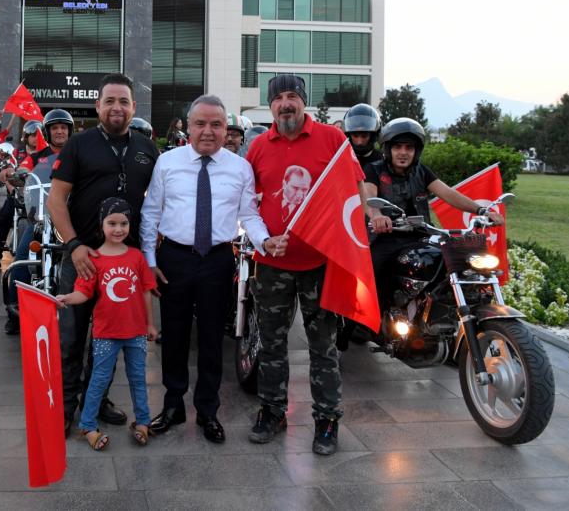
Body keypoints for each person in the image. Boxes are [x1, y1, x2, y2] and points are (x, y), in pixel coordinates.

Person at [140, 94, 276, 444]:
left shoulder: (239, 168)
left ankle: (207, 410)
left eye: (216, 124)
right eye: (200, 123)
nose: (208, 131)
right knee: (174, 335)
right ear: (188, 126)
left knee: (213, 337)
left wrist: (265, 241)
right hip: (174, 258)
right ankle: (173, 405)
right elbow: (151, 214)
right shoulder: (168, 163)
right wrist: (149, 262)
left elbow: (249, 215)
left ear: (226, 129)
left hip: (217, 259)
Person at [245, 74, 365, 456]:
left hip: (319, 265)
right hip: (272, 264)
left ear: (303, 101)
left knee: (323, 347)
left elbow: (354, 190)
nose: (285, 103)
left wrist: (355, 231)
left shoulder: (332, 139)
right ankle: (272, 411)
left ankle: (327, 419)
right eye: (278, 97)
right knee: (271, 344)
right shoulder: (258, 147)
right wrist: (263, 238)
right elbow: (248, 203)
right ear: (270, 105)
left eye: (292, 96)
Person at [47, 73, 159, 436]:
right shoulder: (78, 145)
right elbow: (55, 200)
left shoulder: (147, 149)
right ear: (98, 106)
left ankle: (96, 401)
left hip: (123, 264)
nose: (116, 108)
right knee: (71, 338)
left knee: (109, 339)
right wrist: (74, 245)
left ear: (133, 107)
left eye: (123, 101)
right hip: (81, 257)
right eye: (109, 101)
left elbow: (158, 204)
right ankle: (65, 407)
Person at [364, 117, 504, 315]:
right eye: (397, 147)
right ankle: (370, 319)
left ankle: (436, 311)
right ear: (388, 149)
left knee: (449, 262)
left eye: (409, 147)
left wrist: (481, 211)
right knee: (371, 274)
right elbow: (368, 197)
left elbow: (448, 193)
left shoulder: (421, 171)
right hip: (385, 236)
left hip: (420, 236)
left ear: (416, 151)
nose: (403, 152)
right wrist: (376, 215)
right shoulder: (374, 169)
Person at [57, 197, 157, 451]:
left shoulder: (136, 257)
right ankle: (88, 425)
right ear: (101, 225)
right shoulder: (95, 259)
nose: (118, 229)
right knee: (98, 380)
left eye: (124, 223)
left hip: (136, 332)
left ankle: (143, 422)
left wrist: (150, 324)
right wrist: (67, 298)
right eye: (112, 223)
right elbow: (83, 293)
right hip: (106, 334)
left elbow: (146, 291)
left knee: (138, 379)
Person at [2, 109, 74, 334]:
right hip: (42, 217)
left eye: (63, 127)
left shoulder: (77, 154)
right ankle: (14, 313)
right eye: (55, 128)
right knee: (22, 257)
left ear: (69, 131)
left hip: (71, 218)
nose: (60, 131)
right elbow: (23, 168)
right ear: (48, 132)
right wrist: (18, 173)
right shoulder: (37, 157)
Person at [0, 121, 42, 273]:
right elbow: (6, 172)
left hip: (40, 197)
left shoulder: (46, 153)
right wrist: (12, 189)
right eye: (33, 135)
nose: (36, 138)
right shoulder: (16, 153)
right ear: (26, 137)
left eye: (39, 135)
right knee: (4, 217)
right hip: (18, 194)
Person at [343, 103, 383, 170]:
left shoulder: (383, 161)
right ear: (348, 135)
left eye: (364, 136)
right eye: (355, 136)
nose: (359, 142)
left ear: (373, 136)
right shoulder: (341, 159)